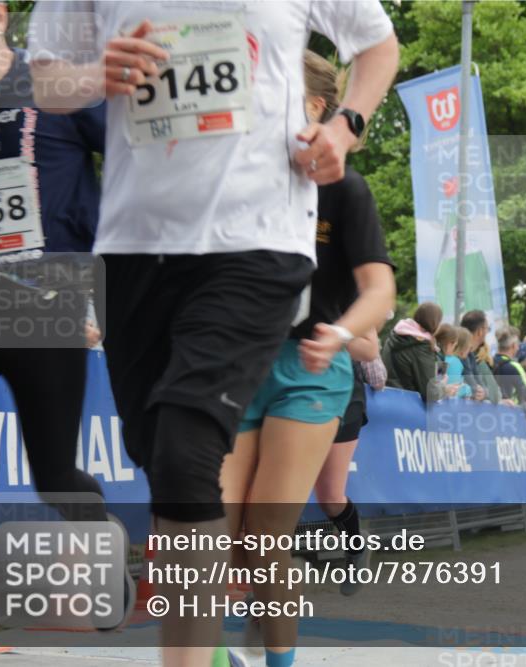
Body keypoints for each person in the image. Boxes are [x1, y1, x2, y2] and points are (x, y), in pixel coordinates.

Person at [28, 3, 399, 664]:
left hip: (256, 242)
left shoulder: (350, 197)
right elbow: (44, 78)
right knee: (163, 464)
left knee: (193, 461)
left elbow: (377, 47)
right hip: (133, 247)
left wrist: (346, 128)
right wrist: (93, 77)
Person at [0, 0, 129, 627]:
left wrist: (105, 292)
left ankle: (99, 537)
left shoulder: (52, 86)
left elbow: (135, 168)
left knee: (53, 475)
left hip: (42, 293)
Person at [219, 47, 396, 664]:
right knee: (213, 534)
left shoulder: (347, 191)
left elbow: (380, 292)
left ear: (316, 108)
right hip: (235, 366)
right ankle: (233, 640)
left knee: (265, 539)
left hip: (308, 372)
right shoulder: (235, 175)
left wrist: (342, 332)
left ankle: (277, 661)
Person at [382, 303, 449, 402]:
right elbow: (431, 394)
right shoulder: (421, 346)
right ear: (435, 323)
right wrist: (444, 388)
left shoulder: (396, 335)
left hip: (389, 399)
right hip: (409, 406)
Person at [459, 310, 501, 403]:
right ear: (480, 331)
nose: (487, 332)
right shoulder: (476, 359)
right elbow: (494, 395)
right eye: (487, 328)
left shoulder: (475, 356)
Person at [494, 327, 526, 404]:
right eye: (518, 345)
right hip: (510, 410)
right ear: (513, 345)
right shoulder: (514, 366)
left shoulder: (489, 362)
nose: (518, 348)